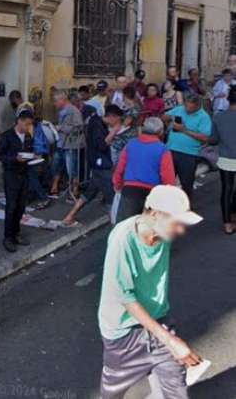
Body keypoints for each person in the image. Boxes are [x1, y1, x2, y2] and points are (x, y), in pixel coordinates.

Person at [98, 185, 203, 399]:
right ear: (154, 215)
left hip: (158, 319)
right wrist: (171, 340)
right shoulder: (122, 239)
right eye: (177, 222)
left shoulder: (162, 233)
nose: (181, 231)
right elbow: (125, 297)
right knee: (112, 392)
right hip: (123, 331)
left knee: (175, 384)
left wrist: (166, 339)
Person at [112, 118, 176, 222]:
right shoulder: (162, 149)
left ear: (142, 129)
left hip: (130, 191)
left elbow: (120, 169)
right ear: (160, 132)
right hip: (152, 193)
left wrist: (117, 185)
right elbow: (168, 177)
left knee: (127, 228)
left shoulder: (130, 145)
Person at [62, 105, 114, 226]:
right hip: (101, 165)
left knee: (90, 192)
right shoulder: (96, 125)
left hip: (97, 164)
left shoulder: (94, 123)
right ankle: (114, 223)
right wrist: (114, 132)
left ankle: (69, 216)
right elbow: (101, 145)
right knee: (110, 195)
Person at [0, 110, 37, 252]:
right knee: (11, 206)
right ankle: (8, 237)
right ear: (19, 121)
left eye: (30, 125)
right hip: (11, 174)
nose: (28, 127)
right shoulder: (7, 136)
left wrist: (33, 156)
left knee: (21, 206)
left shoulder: (27, 136)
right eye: (27, 124)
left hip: (24, 173)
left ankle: (16, 232)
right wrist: (15, 159)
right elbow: (0, 155)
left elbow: (30, 150)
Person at [163, 94, 212, 198]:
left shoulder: (204, 117)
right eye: (186, 106)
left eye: (191, 108)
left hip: (189, 154)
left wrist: (184, 130)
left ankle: (185, 208)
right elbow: (164, 116)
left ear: (198, 106)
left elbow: (205, 138)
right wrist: (169, 121)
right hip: (170, 150)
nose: (187, 110)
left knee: (186, 184)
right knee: (166, 182)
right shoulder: (180, 109)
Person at [209, 88, 236, 233]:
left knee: (227, 189)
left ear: (228, 100)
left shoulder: (219, 117)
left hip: (225, 158)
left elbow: (213, 140)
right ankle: (233, 213)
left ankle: (227, 224)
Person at [50, 91, 84, 198]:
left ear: (62, 100)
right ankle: (55, 185)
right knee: (57, 165)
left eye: (55, 101)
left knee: (72, 168)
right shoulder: (61, 111)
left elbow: (79, 126)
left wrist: (61, 128)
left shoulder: (74, 111)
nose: (54, 104)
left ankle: (74, 189)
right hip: (61, 143)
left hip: (71, 143)